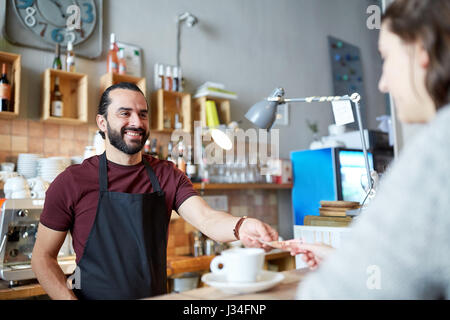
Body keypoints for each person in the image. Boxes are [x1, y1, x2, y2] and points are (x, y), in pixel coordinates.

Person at [31, 82, 278, 300]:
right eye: (125, 113)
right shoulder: (72, 181)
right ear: (102, 122)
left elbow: (207, 218)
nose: (137, 122)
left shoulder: (166, 175)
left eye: (142, 114)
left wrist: (242, 225)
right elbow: (42, 258)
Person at [291, 0, 450, 299]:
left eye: (386, 58)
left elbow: (335, 295)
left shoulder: (436, 150)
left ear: (421, 50)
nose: (382, 84)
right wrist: (349, 260)